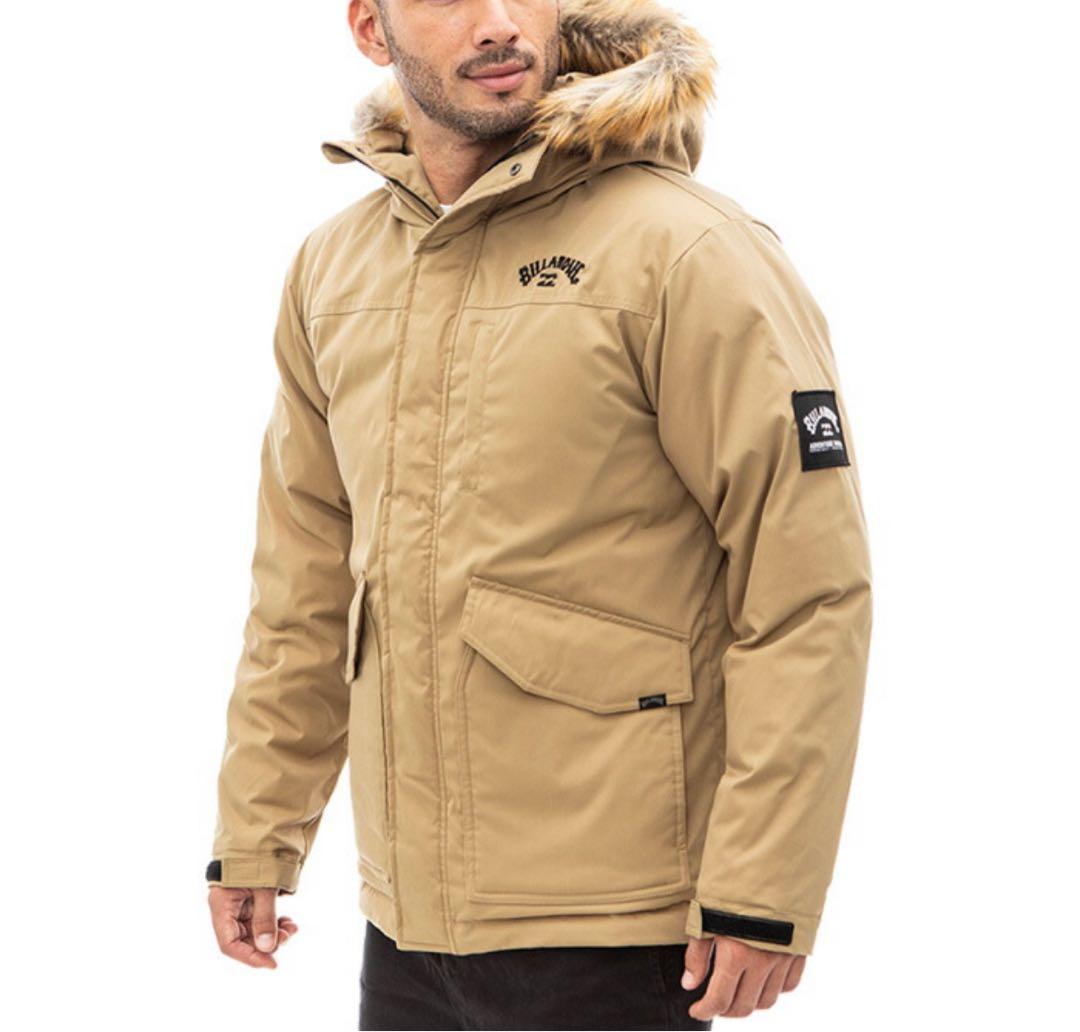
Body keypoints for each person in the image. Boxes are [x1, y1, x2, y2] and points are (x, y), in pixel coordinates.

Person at [205, 0, 873, 1027]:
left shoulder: (686, 250)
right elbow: (304, 581)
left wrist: (764, 886)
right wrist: (258, 829)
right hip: (408, 929)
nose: (497, 23)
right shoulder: (336, 270)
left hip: (628, 929)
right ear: (371, 29)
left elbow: (806, 588)